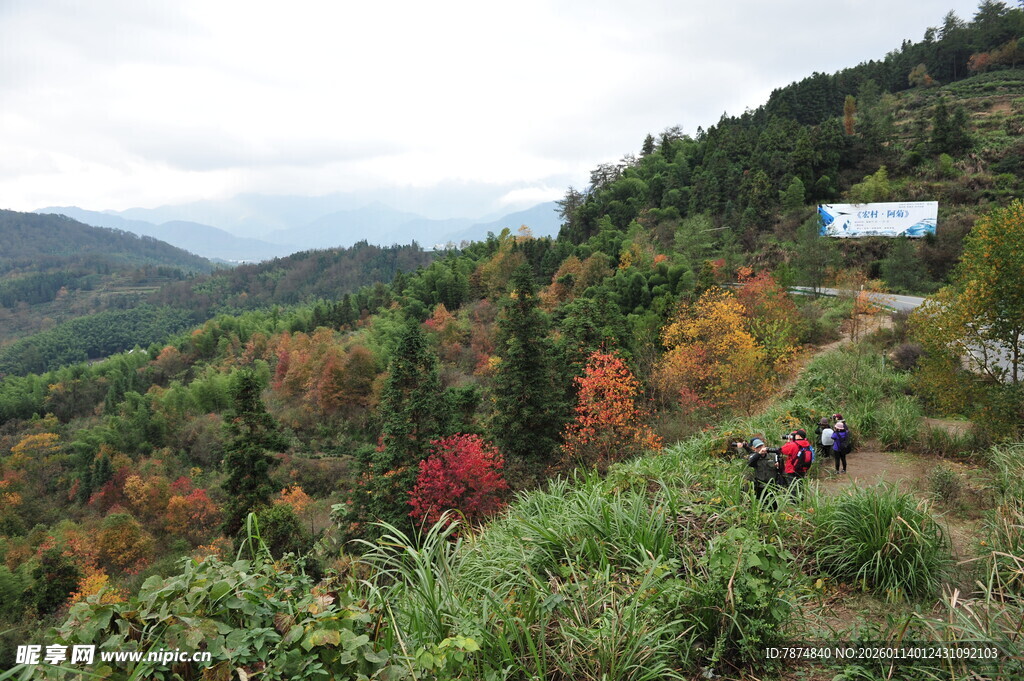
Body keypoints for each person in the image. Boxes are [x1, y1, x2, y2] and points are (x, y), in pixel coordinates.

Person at [738, 437, 781, 506]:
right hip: (761, 485)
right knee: (764, 504)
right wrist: (759, 454)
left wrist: (779, 464)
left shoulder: (772, 455)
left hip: (773, 484)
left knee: (775, 504)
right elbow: (750, 463)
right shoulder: (754, 457)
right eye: (758, 447)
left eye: (762, 446)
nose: (761, 448)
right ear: (754, 449)